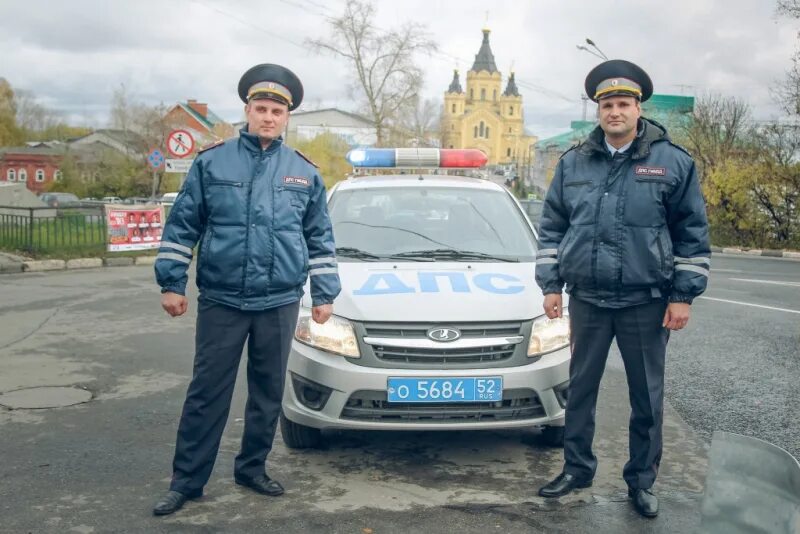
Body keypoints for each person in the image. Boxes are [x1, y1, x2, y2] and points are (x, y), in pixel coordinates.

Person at [152, 63, 341, 516]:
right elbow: (182, 227)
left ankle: (252, 468)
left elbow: (320, 237)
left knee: (268, 392)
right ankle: (188, 481)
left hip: (278, 300)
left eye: (277, 110)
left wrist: (325, 293)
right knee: (207, 392)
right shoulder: (211, 162)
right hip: (223, 299)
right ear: (247, 110)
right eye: (261, 108)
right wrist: (171, 283)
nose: (269, 116)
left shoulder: (303, 172)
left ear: (287, 116)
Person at [534, 59, 710, 518]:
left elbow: (692, 232)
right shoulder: (574, 162)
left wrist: (682, 295)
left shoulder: (672, 162)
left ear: (638, 109)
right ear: (599, 111)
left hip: (645, 302)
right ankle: (577, 468)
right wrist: (551, 285)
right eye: (607, 104)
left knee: (646, 397)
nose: (615, 111)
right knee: (581, 390)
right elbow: (552, 226)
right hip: (588, 299)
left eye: (624, 104)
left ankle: (642, 481)